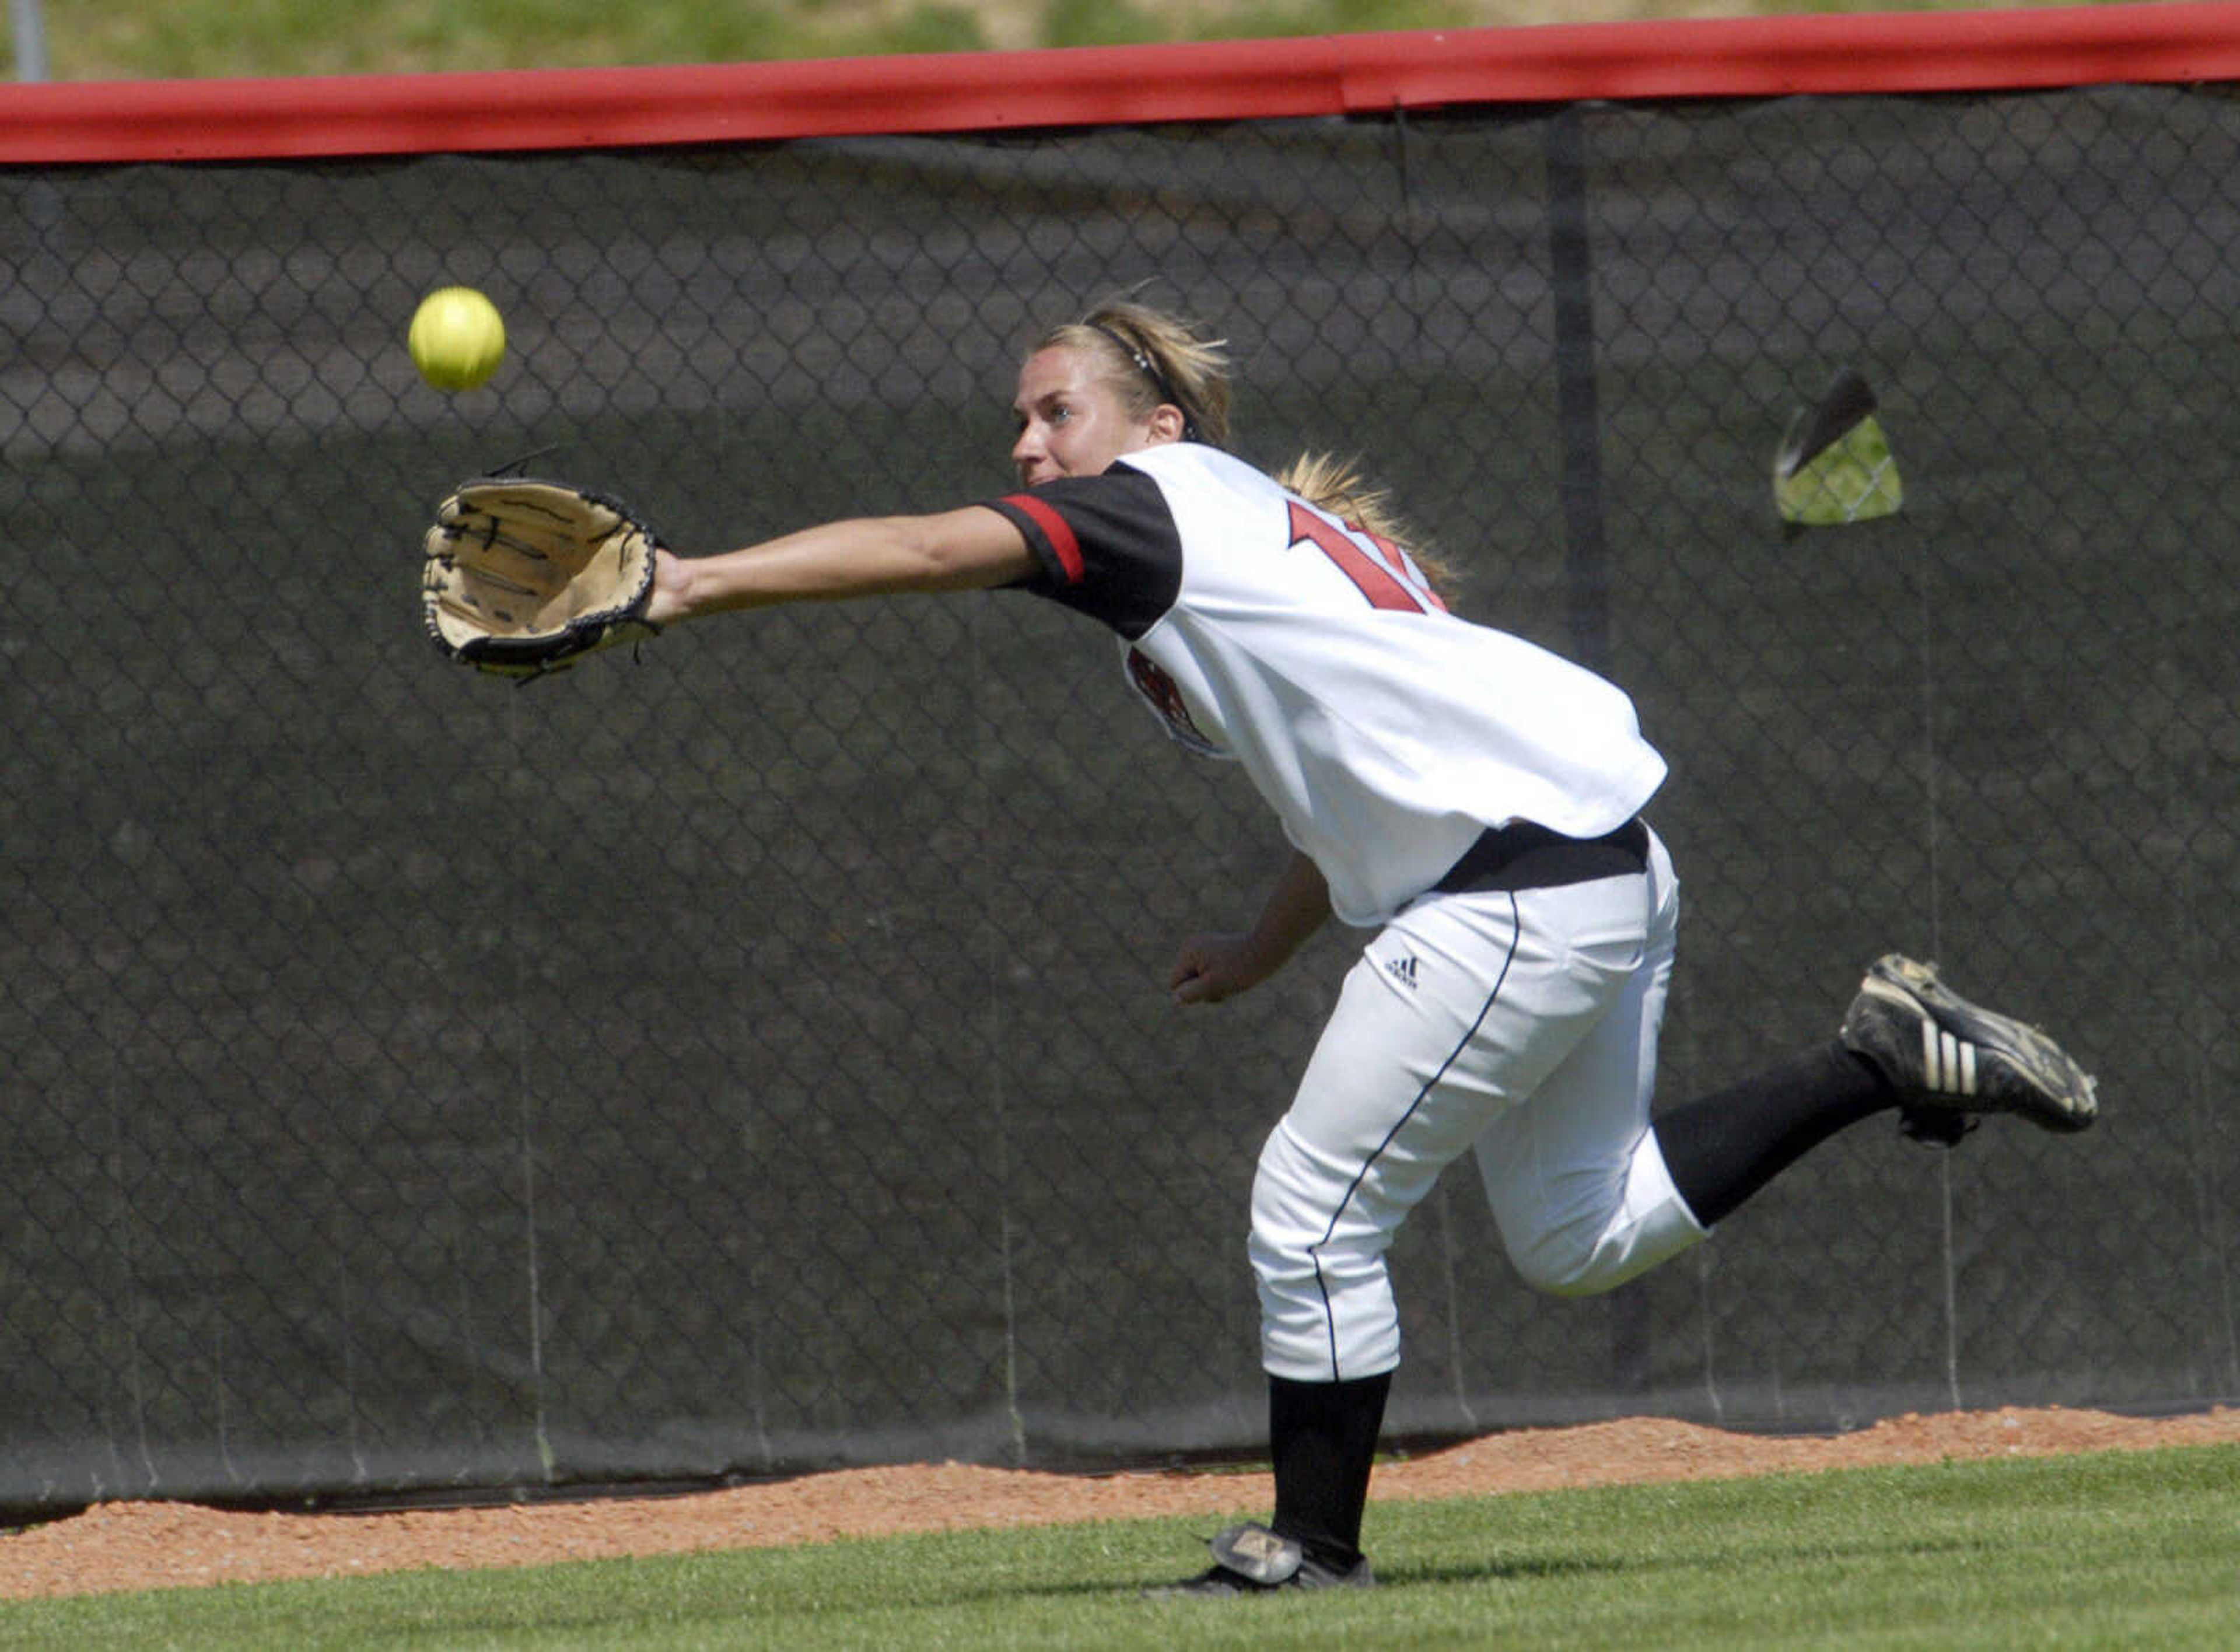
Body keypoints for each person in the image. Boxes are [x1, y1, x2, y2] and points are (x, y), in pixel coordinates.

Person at [639, 299, 2098, 1598]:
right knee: (1580, 1237)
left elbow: (922, 547)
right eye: (1021, 419)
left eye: (1053, 411)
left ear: (1153, 425)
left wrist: (689, 582)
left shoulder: (1147, 509)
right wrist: (1266, 949)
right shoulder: (1244, 538)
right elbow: (1353, 780)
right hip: (1600, 861)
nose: (1027, 445)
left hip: (1517, 891)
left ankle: (1311, 1548)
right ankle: (1878, 1057)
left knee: (1309, 1208)